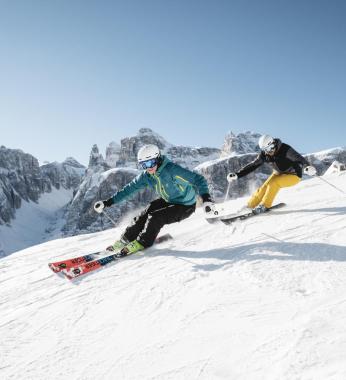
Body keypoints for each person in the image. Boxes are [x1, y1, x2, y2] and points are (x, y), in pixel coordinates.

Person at [94, 144, 214, 255]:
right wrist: (108, 202)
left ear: (157, 159)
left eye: (150, 163)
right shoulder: (146, 176)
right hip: (169, 200)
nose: (148, 168)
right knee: (146, 212)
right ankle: (126, 239)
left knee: (156, 217)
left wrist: (206, 198)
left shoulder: (172, 170)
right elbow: (128, 190)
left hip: (186, 205)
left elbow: (199, 179)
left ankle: (143, 242)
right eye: (144, 165)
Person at [226, 135, 316, 214]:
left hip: (294, 175)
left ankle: (265, 206)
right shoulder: (265, 155)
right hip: (278, 173)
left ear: (273, 144)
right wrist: (237, 174)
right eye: (266, 150)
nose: (269, 152)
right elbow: (253, 165)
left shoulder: (285, 149)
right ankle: (250, 205)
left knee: (274, 184)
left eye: (270, 148)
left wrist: (307, 167)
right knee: (264, 187)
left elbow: (299, 158)